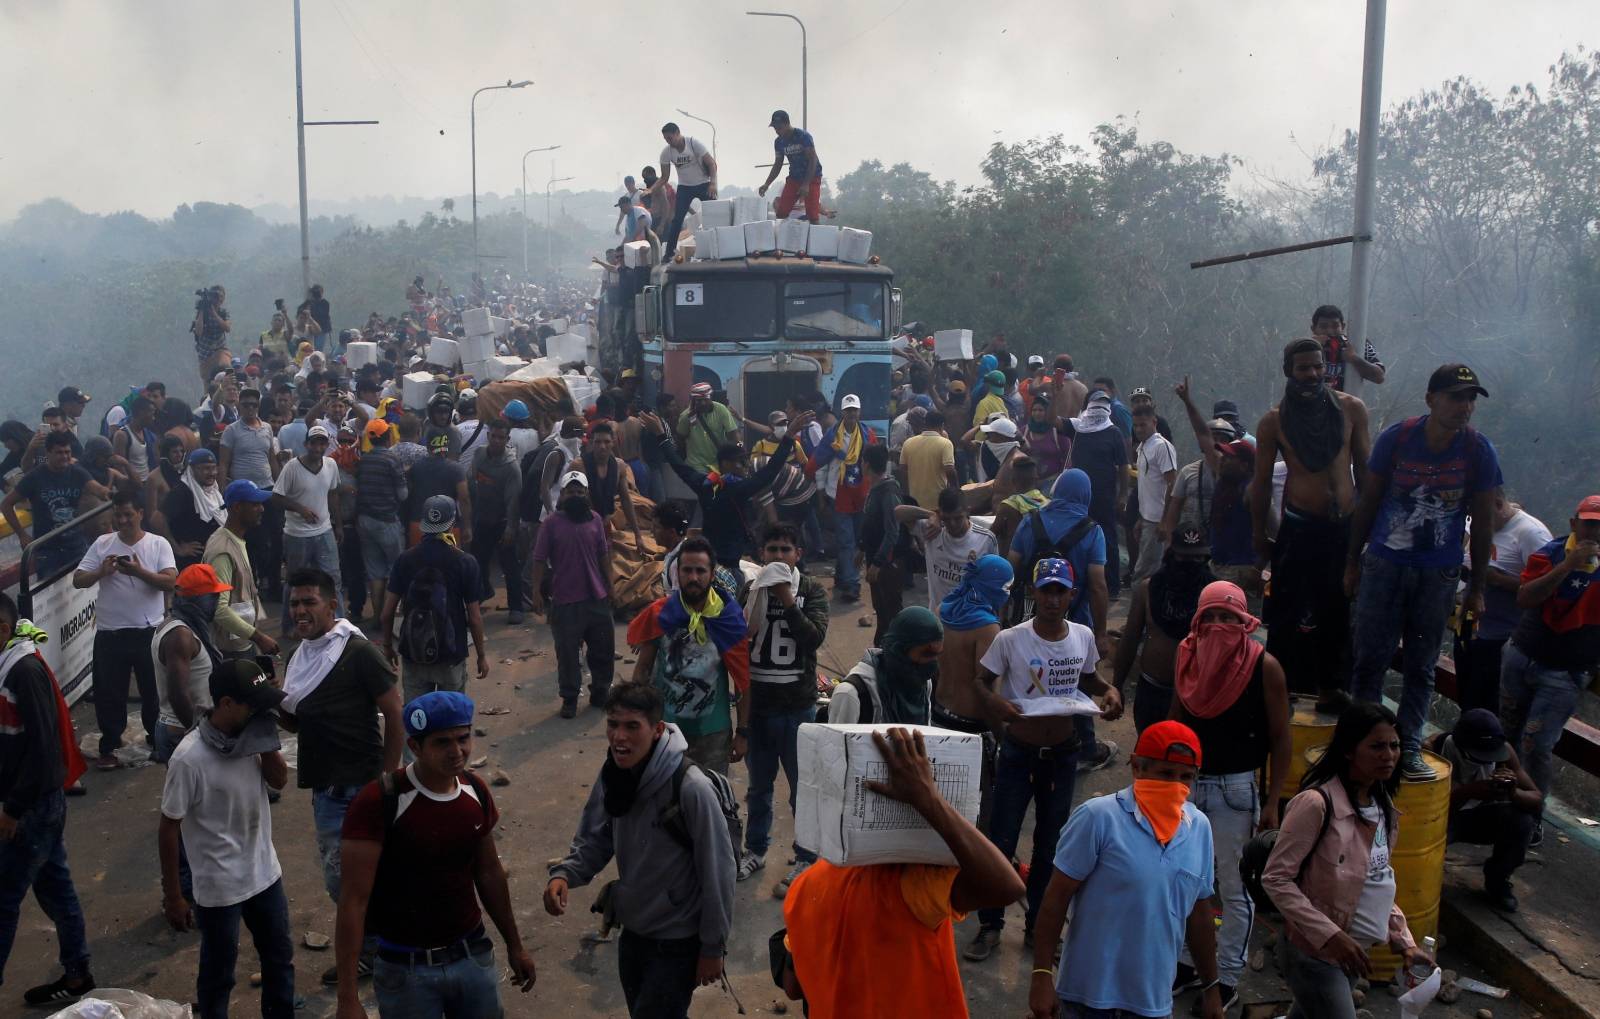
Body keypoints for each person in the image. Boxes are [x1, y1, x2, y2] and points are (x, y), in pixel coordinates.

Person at [782, 728, 1028, 1019]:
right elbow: (1007, 888)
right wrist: (930, 801)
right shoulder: (911, 887)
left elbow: (793, 986)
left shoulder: (805, 886)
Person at [335, 691, 537, 1019]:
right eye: (442, 742)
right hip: (406, 970)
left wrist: (515, 945)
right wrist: (348, 996)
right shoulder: (378, 802)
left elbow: (488, 873)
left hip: (472, 957)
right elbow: (353, 900)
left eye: (463, 738)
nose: (457, 752)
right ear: (415, 747)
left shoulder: (475, 791)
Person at [1347, 364, 1502, 779]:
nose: (1464, 407)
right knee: (1370, 659)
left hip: (1438, 573)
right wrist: (1351, 564)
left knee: (1421, 665)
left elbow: (1484, 523)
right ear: (1431, 399)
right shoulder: (1398, 438)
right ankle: (1358, 742)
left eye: (1470, 398)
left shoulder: (1478, 450)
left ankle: (1409, 746)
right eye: (1455, 397)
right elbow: (1369, 502)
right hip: (1385, 565)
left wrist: (1477, 589)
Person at [544, 683, 736, 1019]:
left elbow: (719, 872)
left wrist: (712, 948)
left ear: (657, 729)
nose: (620, 737)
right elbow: (598, 836)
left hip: (677, 941)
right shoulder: (615, 774)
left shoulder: (690, 789)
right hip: (633, 932)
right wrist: (565, 873)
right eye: (613, 725)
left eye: (632, 726)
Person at [964, 558, 1120, 961]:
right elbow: (980, 682)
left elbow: (1088, 678)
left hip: (1063, 756)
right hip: (1019, 752)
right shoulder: (1011, 639)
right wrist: (996, 704)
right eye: (1046, 590)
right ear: (1033, 593)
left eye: (1060, 591)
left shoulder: (1082, 636)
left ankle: (1038, 928)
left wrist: (1109, 690)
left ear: (1072, 594)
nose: (1052, 599)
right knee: (1001, 839)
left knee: (1051, 845)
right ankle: (990, 925)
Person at [1028, 721, 1222, 1019]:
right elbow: (1055, 897)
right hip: (1086, 998)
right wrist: (1041, 975)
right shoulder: (1099, 818)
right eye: (1166, 774)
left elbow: (1199, 915)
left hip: (1153, 1001)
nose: (1175, 785)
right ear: (1137, 768)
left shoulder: (1199, 829)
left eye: (1186, 777)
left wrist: (1212, 988)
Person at [277, 567, 403, 986]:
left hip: (359, 788)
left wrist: (388, 778)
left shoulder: (356, 652)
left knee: (353, 882)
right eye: (295, 602)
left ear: (332, 605)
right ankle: (377, 948)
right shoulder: (301, 657)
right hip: (325, 789)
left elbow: (395, 713)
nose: (300, 610)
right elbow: (298, 723)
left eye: (309, 602)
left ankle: (374, 953)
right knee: (344, 882)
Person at [1262, 703, 1428, 1019]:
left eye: (1394, 746)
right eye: (1377, 746)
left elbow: (1377, 880)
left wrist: (1404, 942)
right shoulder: (1315, 804)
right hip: (1314, 955)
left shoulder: (1384, 807)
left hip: (1353, 955)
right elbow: (1275, 879)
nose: (1389, 755)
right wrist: (1331, 935)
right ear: (1350, 750)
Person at [1169, 581, 1291, 1004]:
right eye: (1212, 617)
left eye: (1229, 617)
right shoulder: (1187, 656)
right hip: (1187, 784)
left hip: (1236, 788)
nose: (1219, 625)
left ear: (1244, 621)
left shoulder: (1264, 666)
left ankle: (1227, 978)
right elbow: (1175, 726)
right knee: (1186, 878)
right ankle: (1187, 963)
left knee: (1234, 886)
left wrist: (1274, 800)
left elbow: (1280, 737)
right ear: (1199, 621)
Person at [157, 659, 294, 1019]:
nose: (261, 711)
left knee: (279, 961)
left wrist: (266, 745)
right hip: (219, 889)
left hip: (265, 874)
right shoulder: (189, 759)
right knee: (219, 976)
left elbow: (279, 782)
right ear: (227, 704)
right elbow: (168, 827)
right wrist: (173, 896)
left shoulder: (253, 738)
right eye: (254, 703)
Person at [1251, 338, 1371, 709]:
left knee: (1336, 609)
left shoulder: (1352, 410)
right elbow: (1259, 486)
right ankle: (1279, 690)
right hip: (1299, 527)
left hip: (1343, 528)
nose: (1313, 374)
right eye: (1304, 368)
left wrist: (1367, 535)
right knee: (1286, 612)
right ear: (1290, 371)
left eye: (1318, 366)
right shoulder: (1274, 421)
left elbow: (1367, 475)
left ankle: (1332, 689)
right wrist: (1260, 536)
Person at [0, 598, 93, 1008]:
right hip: (37, 804)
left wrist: (12, 809)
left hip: (32, 807)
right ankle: (77, 975)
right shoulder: (11, 664)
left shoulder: (24, 671)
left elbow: (44, 751)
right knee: (56, 887)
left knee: (2, 901)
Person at [1499, 493, 1600, 839]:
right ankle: (1499, 803)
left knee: (1537, 745)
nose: (1594, 532)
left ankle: (1530, 816)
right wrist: (1569, 566)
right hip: (1523, 654)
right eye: (1589, 523)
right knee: (1507, 733)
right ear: (1574, 524)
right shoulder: (1552, 553)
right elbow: (1526, 596)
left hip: (1566, 672)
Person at [739, 524, 829, 893]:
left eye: (785, 550)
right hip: (758, 706)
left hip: (797, 706)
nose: (777, 556)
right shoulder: (751, 589)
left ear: (798, 555)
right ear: (762, 554)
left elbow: (814, 639)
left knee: (801, 788)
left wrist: (787, 599)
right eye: (771, 550)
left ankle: (806, 856)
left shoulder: (810, 590)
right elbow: (739, 637)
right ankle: (756, 849)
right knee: (758, 786)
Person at [627, 537, 750, 774]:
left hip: (713, 734)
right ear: (678, 573)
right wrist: (636, 720)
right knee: (666, 802)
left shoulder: (728, 619)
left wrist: (743, 732)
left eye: (700, 571)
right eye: (687, 570)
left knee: (712, 802)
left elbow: (743, 681)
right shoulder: (660, 614)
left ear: (712, 574)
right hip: (666, 730)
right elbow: (642, 671)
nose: (694, 577)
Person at [72, 491, 177, 770]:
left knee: (153, 692)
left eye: (127, 514)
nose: (122, 520)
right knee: (109, 693)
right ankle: (109, 745)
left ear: (140, 513)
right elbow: (78, 579)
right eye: (117, 515)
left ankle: (156, 741)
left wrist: (138, 572)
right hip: (110, 632)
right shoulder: (103, 544)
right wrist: (100, 573)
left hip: (148, 630)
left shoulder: (158, 544)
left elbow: (170, 582)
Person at [647, 411, 806, 576]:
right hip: (730, 566)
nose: (746, 466)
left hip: (708, 564)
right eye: (741, 461)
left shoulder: (705, 484)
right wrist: (788, 436)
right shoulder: (739, 489)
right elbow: (770, 470)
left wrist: (661, 436)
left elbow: (678, 465)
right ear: (726, 464)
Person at [1424, 709, 1542, 912]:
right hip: (1441, 818)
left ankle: (1498, 880)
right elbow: (1422, 809)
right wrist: (1467, 792)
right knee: (1427, 847)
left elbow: (1536, 798)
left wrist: (1512, 792)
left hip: (1478, 817)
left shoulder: (1503, 752)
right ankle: (1426, 884)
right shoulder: (1433, 750)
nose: (1487, 760)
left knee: (1522, 821)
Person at [381, 496, 489, 704]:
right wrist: (481, 656)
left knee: (417, 718)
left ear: (424, 524)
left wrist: (387, 646)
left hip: (414, 654)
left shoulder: (405, 559)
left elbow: (387, 614)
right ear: (452, 524)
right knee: (451, 719)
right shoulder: (465, 562)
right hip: (451, 655)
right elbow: (474, 618)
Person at [1111, 528, 1216, 734]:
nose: (1189, 563)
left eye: (1196, 558)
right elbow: (1130, 639)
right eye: (1183, 556)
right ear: (1171, 554)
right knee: (1150, 753)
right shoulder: (1149, 590)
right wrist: (1116, 685)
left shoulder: (1214, 594)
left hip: (1196, 695)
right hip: (1153, 691)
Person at [1456, 493, 1550, 713]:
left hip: (1501, 636)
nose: (1474, 519)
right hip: (1467, 626)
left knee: (1486, 703)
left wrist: (1497, 579)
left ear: (1498, 504)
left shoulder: (1531, 534)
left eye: (1477, 514)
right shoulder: (1481, 525)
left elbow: (1543, 590)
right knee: (1465, 694)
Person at [530, 475, 614, 718]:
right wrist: (536, 592)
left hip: (596, 597)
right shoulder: (551, 524)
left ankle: (600, 692)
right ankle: (569, 699)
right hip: (565, 600)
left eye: (580, 492)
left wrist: (612, 585)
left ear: (586, 494)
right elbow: (538, 560)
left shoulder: (596, 520)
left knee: (603, 650)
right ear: (563, 495)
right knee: (567, 654)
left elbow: (603, 555)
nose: (575, 496)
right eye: (570, 492)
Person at [1, 430, 108, 580]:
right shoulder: (35, 477)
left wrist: (108, 494)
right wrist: (22, 535)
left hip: (76, 544)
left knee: (83, 589)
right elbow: (6, 504)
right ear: (48, 453)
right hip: (47, 551)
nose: (65, 456)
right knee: (49, 592)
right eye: (59, 452)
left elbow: (96, 487)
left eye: (67, 452)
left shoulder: (77, 472)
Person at [151, 564, 229, 764]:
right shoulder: (180, 636)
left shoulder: (186, 625)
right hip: (182, 732)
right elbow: (178, 694)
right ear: (198, 601)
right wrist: (200, 735)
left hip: (186, 729)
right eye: (213, 597)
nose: (217, 602)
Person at [275, 423, 345, 629]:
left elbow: (333, 494)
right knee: (295, 581)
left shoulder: (331, 465)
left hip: (324, 530)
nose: (318, 447)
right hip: (297, 534)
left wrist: (338, 525)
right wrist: (300, 509)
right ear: (307, 444)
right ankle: (289, 626)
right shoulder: (292, 467)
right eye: (314, 443)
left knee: (333, 579)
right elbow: (277, 497)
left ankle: (337, 624)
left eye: (322, 443)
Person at [827, 606, 944, 726]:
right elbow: (837, 743)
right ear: (899, 651)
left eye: (937, 655)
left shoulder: (923, 684)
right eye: (926, 654)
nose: (933, 663)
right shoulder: (851, 694)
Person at [810, 394, 877, 601]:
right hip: (838, 494)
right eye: (848, 411)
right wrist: (820, 494)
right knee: (847, 542)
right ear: (842, 413)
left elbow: (876, 464)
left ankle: (841, 576)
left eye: (854, 410)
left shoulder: (867, 435)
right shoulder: (831, 437)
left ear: (859, 412)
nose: (851, 414)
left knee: (854, 539)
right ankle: (851, 584)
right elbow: (820, 466)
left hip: (861, 493)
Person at [204, 480, 280, 661]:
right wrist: (259, 637)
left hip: (242, 640)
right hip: (231, 650)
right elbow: (218, 609)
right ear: (237, 507)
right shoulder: (222, 550)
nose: (262, 509)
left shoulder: (236, 539)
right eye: (255, 504)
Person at [1064, 393, 1128, 596]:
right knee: (1077, 536)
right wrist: (1057, 392)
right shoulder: (1077, 428)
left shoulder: (1114, 433)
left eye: (1103, 405)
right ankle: (1079, 583)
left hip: (1104, 496)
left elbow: (1124, 466)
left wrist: (1123, 494)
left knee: (1108, 539)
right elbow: (1051, 421)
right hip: (1078, 497)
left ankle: (1112, 586)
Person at [468, 418, 525, 621]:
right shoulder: (479, 454)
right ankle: (483, 592)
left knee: (509, 565)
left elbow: (513, 502)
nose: (497, 441)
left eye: (501, 437)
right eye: (493, 436)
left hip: (502, 521)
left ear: (507, 439)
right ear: (488, 436)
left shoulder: (511, 468)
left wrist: (511, 528)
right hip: (482, 517)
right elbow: (471, 482)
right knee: (477, 562)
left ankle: (516, 607)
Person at [354, 419, 408, 622]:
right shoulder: (392, 459)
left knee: (375, 572)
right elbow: (402, 495)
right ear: (387, 437)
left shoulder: (364, 460)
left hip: (365, 521)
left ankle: (377, 617)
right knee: (394, 570)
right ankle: (388, 619)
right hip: (387, 522)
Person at [859, 443, 909, 647]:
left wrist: (877, 563)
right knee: (881, 611)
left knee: (890, 613)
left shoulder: (888, 492)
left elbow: (892, 531)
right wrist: (861, 549)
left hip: (887, 564)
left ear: (867, 464)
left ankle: (891, 653)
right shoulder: (875, 488)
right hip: (874, 558)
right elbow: (871, 524)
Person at [582, 421, 646, 560]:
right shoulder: (580, 466)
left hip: (604, 525)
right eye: (598, 442)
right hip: (582, 527)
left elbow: (626, 500)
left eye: (606, 442)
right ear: (592, 443)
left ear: (613, 443)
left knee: (606, 564)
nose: (602, 446)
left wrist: (638, 535)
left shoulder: (619, 466)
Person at [655, 122, 718, 259]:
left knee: (715, 215)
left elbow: (711, 163)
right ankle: (669, 253)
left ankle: (719, 246)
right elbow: (664, 177)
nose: (668, 141)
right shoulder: (667, 153)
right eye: (666, 139)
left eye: (670, 138)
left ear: (678, 133)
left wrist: (713, 183)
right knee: (677, 220)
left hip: (703, 184)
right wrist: (652, 189)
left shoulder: (693, 144)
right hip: (685, 188)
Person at [1131, 405, 1178, 583]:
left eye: (1143, 425)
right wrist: (1141, 518)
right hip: (1147, 519)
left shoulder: (1161, 447)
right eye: (1136, 426)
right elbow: (1147, 487)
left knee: (1145, 573)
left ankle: (1139, 610)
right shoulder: (1142, 447)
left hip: (1158, 521)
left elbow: (1173, 484)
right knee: (1148, 571)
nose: (1139, 430)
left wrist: (1165, 521)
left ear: (1154, 422)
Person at [163, 448, 227, 570]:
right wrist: (177, 548)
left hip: (212, 559)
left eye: (213, 468)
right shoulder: (182, 492)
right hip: (191, 564)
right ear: (192, 469)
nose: (212, 473)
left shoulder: (213, 490)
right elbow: (157, 519)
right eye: (206, 469)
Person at [409, 432, 473, 547]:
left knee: (418, 563)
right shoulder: (456, 469)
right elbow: (464, 498)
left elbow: (408, 495)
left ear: (428, 446)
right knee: (450, 563)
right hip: (449, 527)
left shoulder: (415, 467)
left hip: (419, 524)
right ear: (446, 447)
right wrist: (467, 526)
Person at [758, 109, 823, 223]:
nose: (777, 131)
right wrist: (767, 183)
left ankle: (814, 237)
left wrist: (806, 184)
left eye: (779, 128)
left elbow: (813, 160)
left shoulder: (803, 136)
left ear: (787, 123)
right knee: (782, 212)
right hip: (794, 178)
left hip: (811, 177)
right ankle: (783, 237)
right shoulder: (779, 142)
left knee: (813, 215)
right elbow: (778, 164)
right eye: (775, 128)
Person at [1311, 304, 1385, 392]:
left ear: (1343, 326)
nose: (1330, 331)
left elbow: (1379, 378)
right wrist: (1312, 349)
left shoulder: (1359, 343)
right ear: (1314, 329)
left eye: (1335, 326)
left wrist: (1354, 358)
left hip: (1347, 403)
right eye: (1323, 327)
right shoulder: (1305, 346)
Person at [674, 382, 740, 474]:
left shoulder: (721, 410)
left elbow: (733, 434)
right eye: (699, 400)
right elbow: (680, 439)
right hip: (696, 465)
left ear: (711, 397)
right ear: (694, 400)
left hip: (719, 464)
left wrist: (739, 451)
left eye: (705, 399)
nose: (703, 403)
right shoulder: (686, 416)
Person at [899, 409, 957, 514]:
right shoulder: (945, 443)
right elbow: (950, 470)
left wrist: (906, 493)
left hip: (915, 504)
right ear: (942, 425)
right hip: (938, 504)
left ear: (925, 424)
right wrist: (955, 491)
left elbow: (902, 470)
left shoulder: (908, 443)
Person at [111, 395, 160, 485]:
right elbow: (119, 465)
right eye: (152, 414)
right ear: (141, 413)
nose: (153, 418)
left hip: (147, 484)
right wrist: (130, 484)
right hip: (133, 487)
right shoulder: (122, 435)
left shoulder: (148, 435)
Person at [191, 285, 232, 385]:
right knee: (208, 380)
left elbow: (227, 328)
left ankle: (232, 388)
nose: (218, 299)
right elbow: (199, 332)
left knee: (226, 367)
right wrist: (202, 309)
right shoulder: (202, 313)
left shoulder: (223, 312)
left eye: (220, 296)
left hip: (220, 349)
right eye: (215, 296)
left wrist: (213, 312)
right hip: (205, 352)